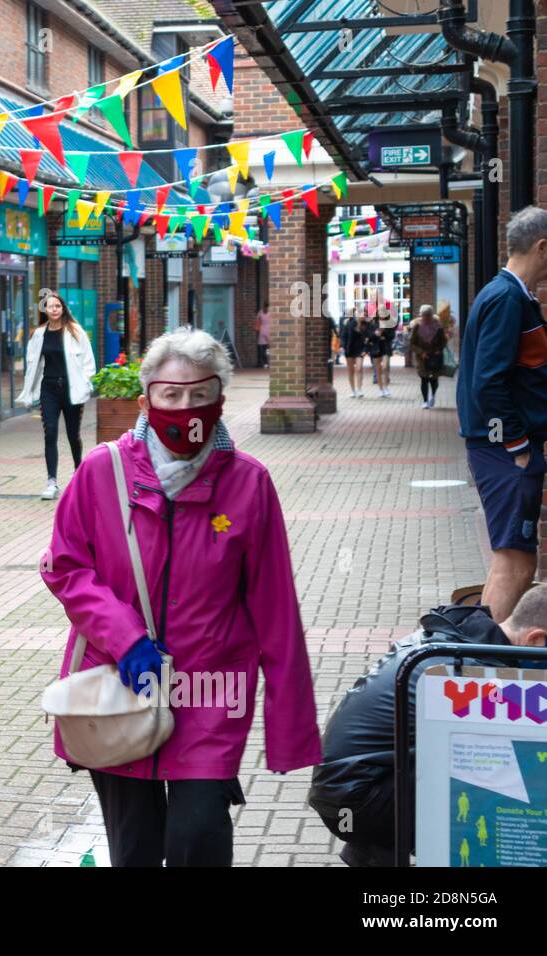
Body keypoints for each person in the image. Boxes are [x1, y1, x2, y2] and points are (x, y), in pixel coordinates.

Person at [40, 327, 322, 867]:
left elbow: (276, 610)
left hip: (211, 691)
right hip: (120, 692)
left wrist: (291, 731)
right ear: (146, 400)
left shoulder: (249, 484)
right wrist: (126, 642)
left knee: (198, 840)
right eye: (171, 395)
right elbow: (66, 566)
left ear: (220, 399)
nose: (185, 407)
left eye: (200, 394)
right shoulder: (102, 471)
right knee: (135, 851)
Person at [308, 585, 547, 866]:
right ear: (536, 640)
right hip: (358, 800)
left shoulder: (456, 642)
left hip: (351, 788)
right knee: (499, 786)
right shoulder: (469, 673)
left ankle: (374, 852)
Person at [457, 206, 547, 622]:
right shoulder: (506, 298)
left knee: (515, 560)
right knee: (515, 562)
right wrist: (518, 446)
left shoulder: (509, 296)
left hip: (503, 449)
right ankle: (478, 658)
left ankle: (479, 655)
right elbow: (487, 382)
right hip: (505, 452)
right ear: (542, 247)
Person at [16, 291, 97, 501]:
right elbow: (32, 362)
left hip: (71, 389)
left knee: (73, 434)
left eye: (57, 306)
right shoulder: (39, 334)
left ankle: (79, 473)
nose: (54, 309)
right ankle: (51, 481)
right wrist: (29, 387)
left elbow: (88, 361)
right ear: (45, 310)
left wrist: (86, 383)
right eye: (50, 306)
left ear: (62, 309)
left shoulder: (75, 331)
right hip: (49, 389)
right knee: (50, 432)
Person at [408, 304, 447, 409]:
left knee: (434, 379)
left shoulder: (438, 326)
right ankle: (425, 400)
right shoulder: (416, 326)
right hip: (422, 358)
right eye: (423, 316)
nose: (425, 318)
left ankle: (433, 395)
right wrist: (421, 352)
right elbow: (411, 343)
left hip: (435, 356)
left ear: (431, 315)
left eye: (427, 316)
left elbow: (444, 341)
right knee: (424, 379)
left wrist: (439, 349)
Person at [340, 309, 370, 399]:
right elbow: (343, 335)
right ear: (357, 314)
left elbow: (368, 337)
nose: (363, 316)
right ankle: (352, 390)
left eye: (364, 314)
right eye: (362, 314)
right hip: (350, 349)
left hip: (360, 349)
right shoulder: (349, 323)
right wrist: (343, 346)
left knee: (359, 368)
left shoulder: (366, 325)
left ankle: (359, 389)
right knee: (350, 371)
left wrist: (366, 349)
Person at [374, 298, 399, 396]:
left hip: (385, 347)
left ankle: (386, 387)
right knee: (378, 369)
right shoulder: (374, 322)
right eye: (380, 311)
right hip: (376, 347)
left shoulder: (390, 322)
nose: (381, 313)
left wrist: (383, 332)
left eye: (383, 310)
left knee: (385, 367)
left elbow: (392, 336)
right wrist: (375, 334)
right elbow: (370, 334)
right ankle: (381, 389)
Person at [255, 302, 270, 369]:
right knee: (261, 348)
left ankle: (266, 363)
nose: (265, 309)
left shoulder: (270, 313)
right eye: (264, 307)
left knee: (267, 348)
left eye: (266, 307)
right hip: (262, 330)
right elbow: (257, 320)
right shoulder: (260, 312)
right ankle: (263, 363)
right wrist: (256, 328)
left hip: (268, 331)